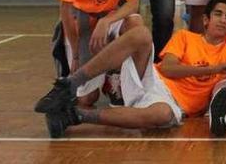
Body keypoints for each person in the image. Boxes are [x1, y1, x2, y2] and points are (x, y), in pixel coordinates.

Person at [33, 21, 180, 138]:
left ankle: (71, 115)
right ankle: (69, 85)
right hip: (153, 79)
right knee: (141, 34)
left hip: (168, 100)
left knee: (163, 114)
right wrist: (203, 70)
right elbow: (168, 68)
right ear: (204, 20)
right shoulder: (187, 38)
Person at [156, 0, 226, 136]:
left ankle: (219, 114)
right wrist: (215, 68)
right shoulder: (184, 36)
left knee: (225, 85)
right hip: (159, 86)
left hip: (182, 108)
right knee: (141, 38)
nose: (223, 20)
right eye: (218, 14)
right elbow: (167, 69)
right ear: (205, 20)